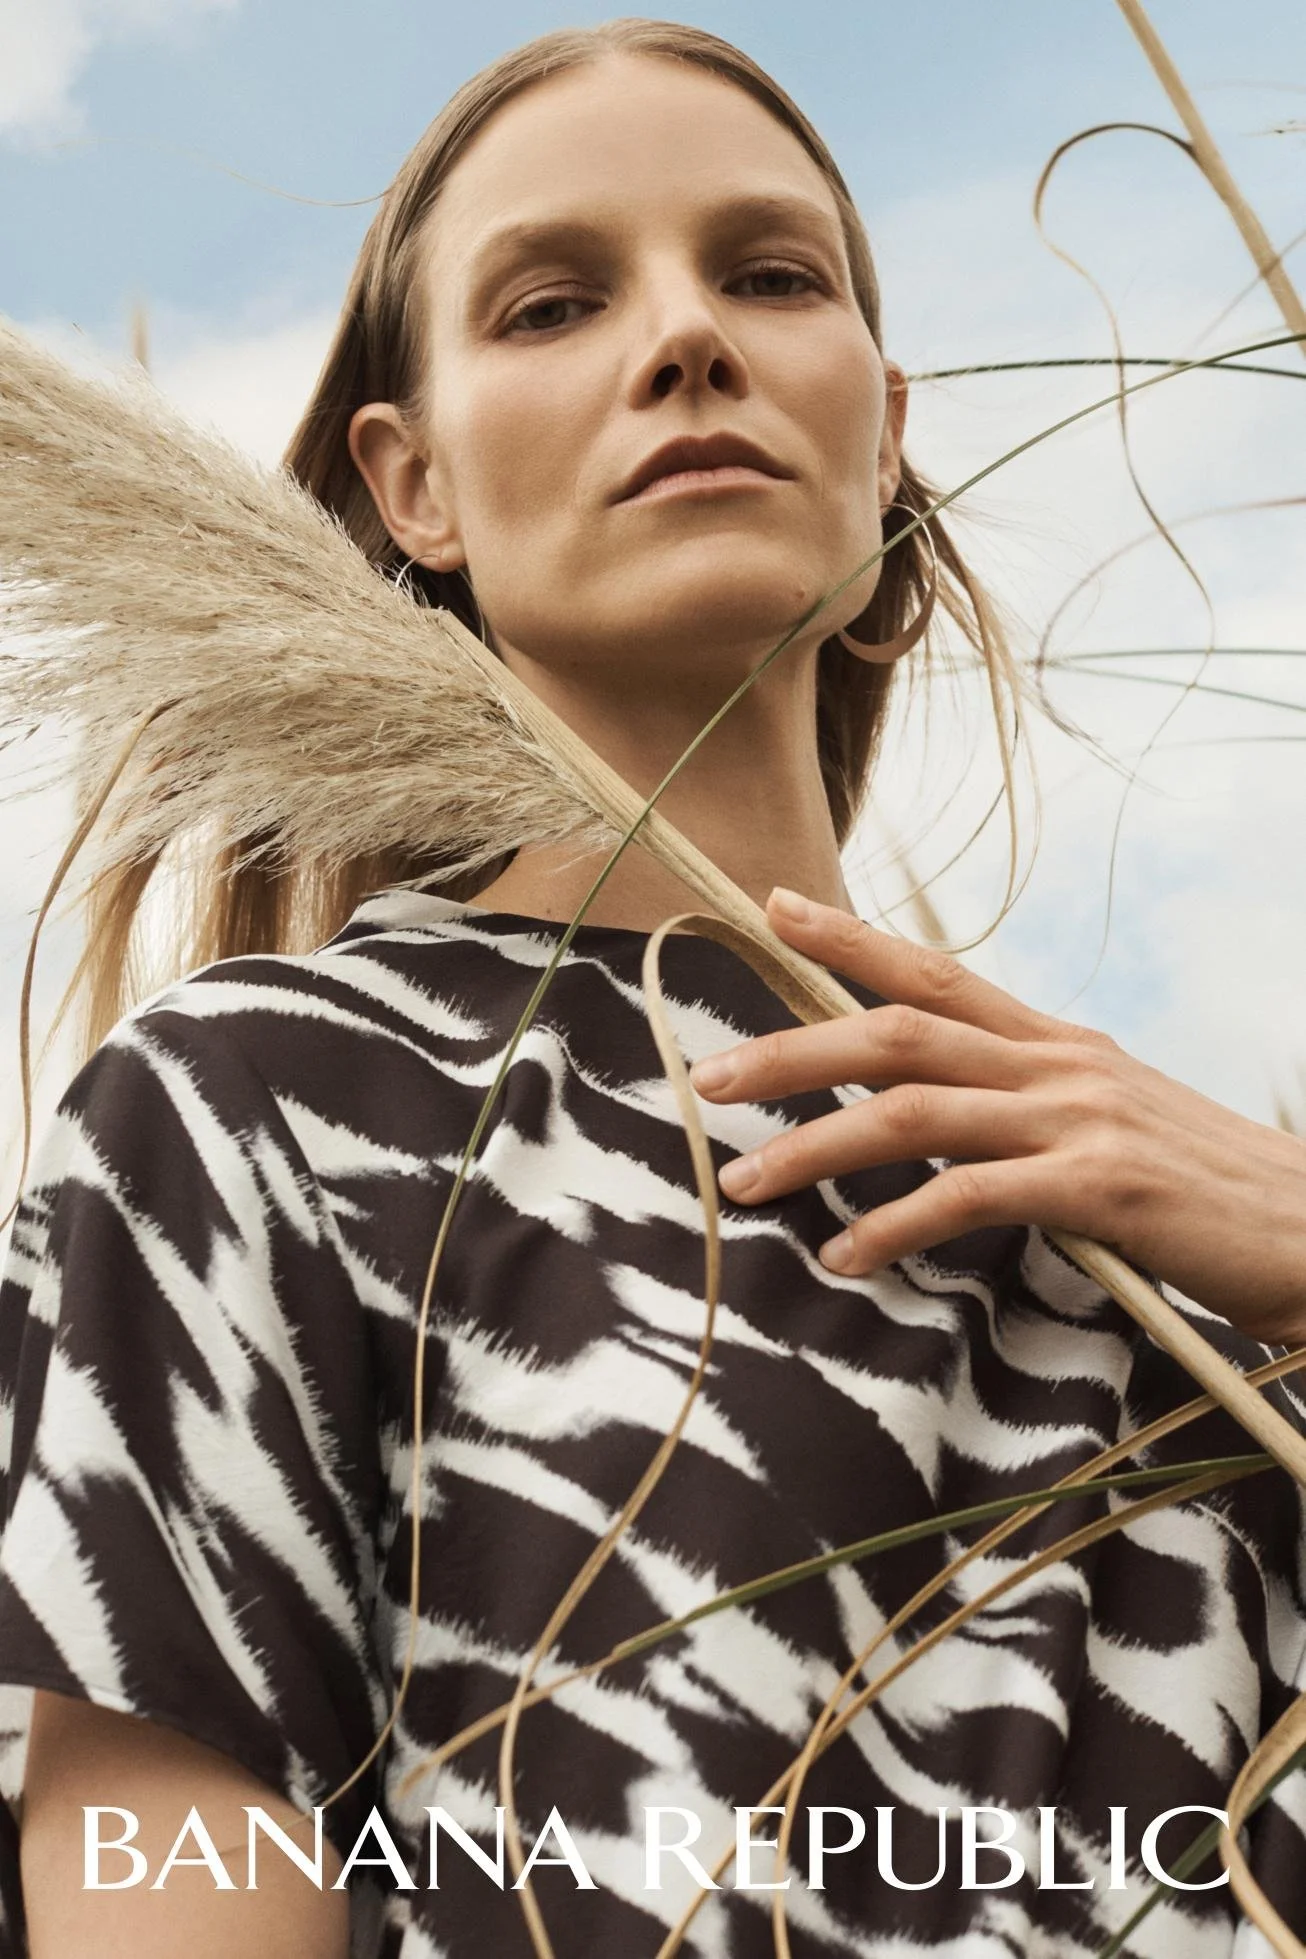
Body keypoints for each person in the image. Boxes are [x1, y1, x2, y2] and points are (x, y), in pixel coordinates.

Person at [4, 17, 1306, 1959]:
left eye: (769, 277)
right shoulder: (247, 1110)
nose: (684, 338)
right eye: (549, 305)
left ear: (882, 434)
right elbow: (159, 1885)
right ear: (412, 488)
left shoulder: (1166, 1204)